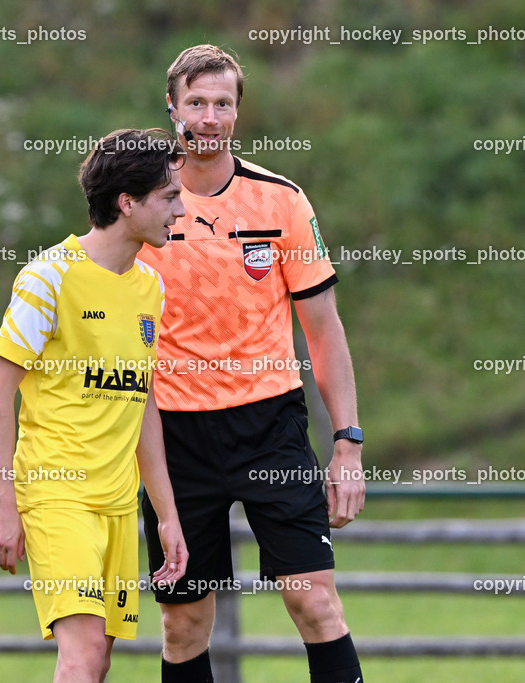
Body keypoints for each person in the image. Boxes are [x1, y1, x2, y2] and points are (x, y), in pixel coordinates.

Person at [138, 45, 366, 683]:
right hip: (174, 436)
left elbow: (323, 330)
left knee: (314, 600)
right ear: (172, 107)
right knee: (184, 623)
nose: (209, 117)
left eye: (222, 104)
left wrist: (347, 443)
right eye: (196, 103)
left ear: (237, 112)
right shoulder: (141, 203)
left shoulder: (282, 201)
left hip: (270, 427)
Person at [0, 128, 190, 682]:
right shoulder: (47, 278)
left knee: (99, 662)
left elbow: (142, 402)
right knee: (82, 654)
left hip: (118, 504)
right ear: (128, 203)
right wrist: (3, 502)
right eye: (169, 197)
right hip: (55, 494)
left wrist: (166, 516)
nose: (181, 208)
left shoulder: (150, 286)